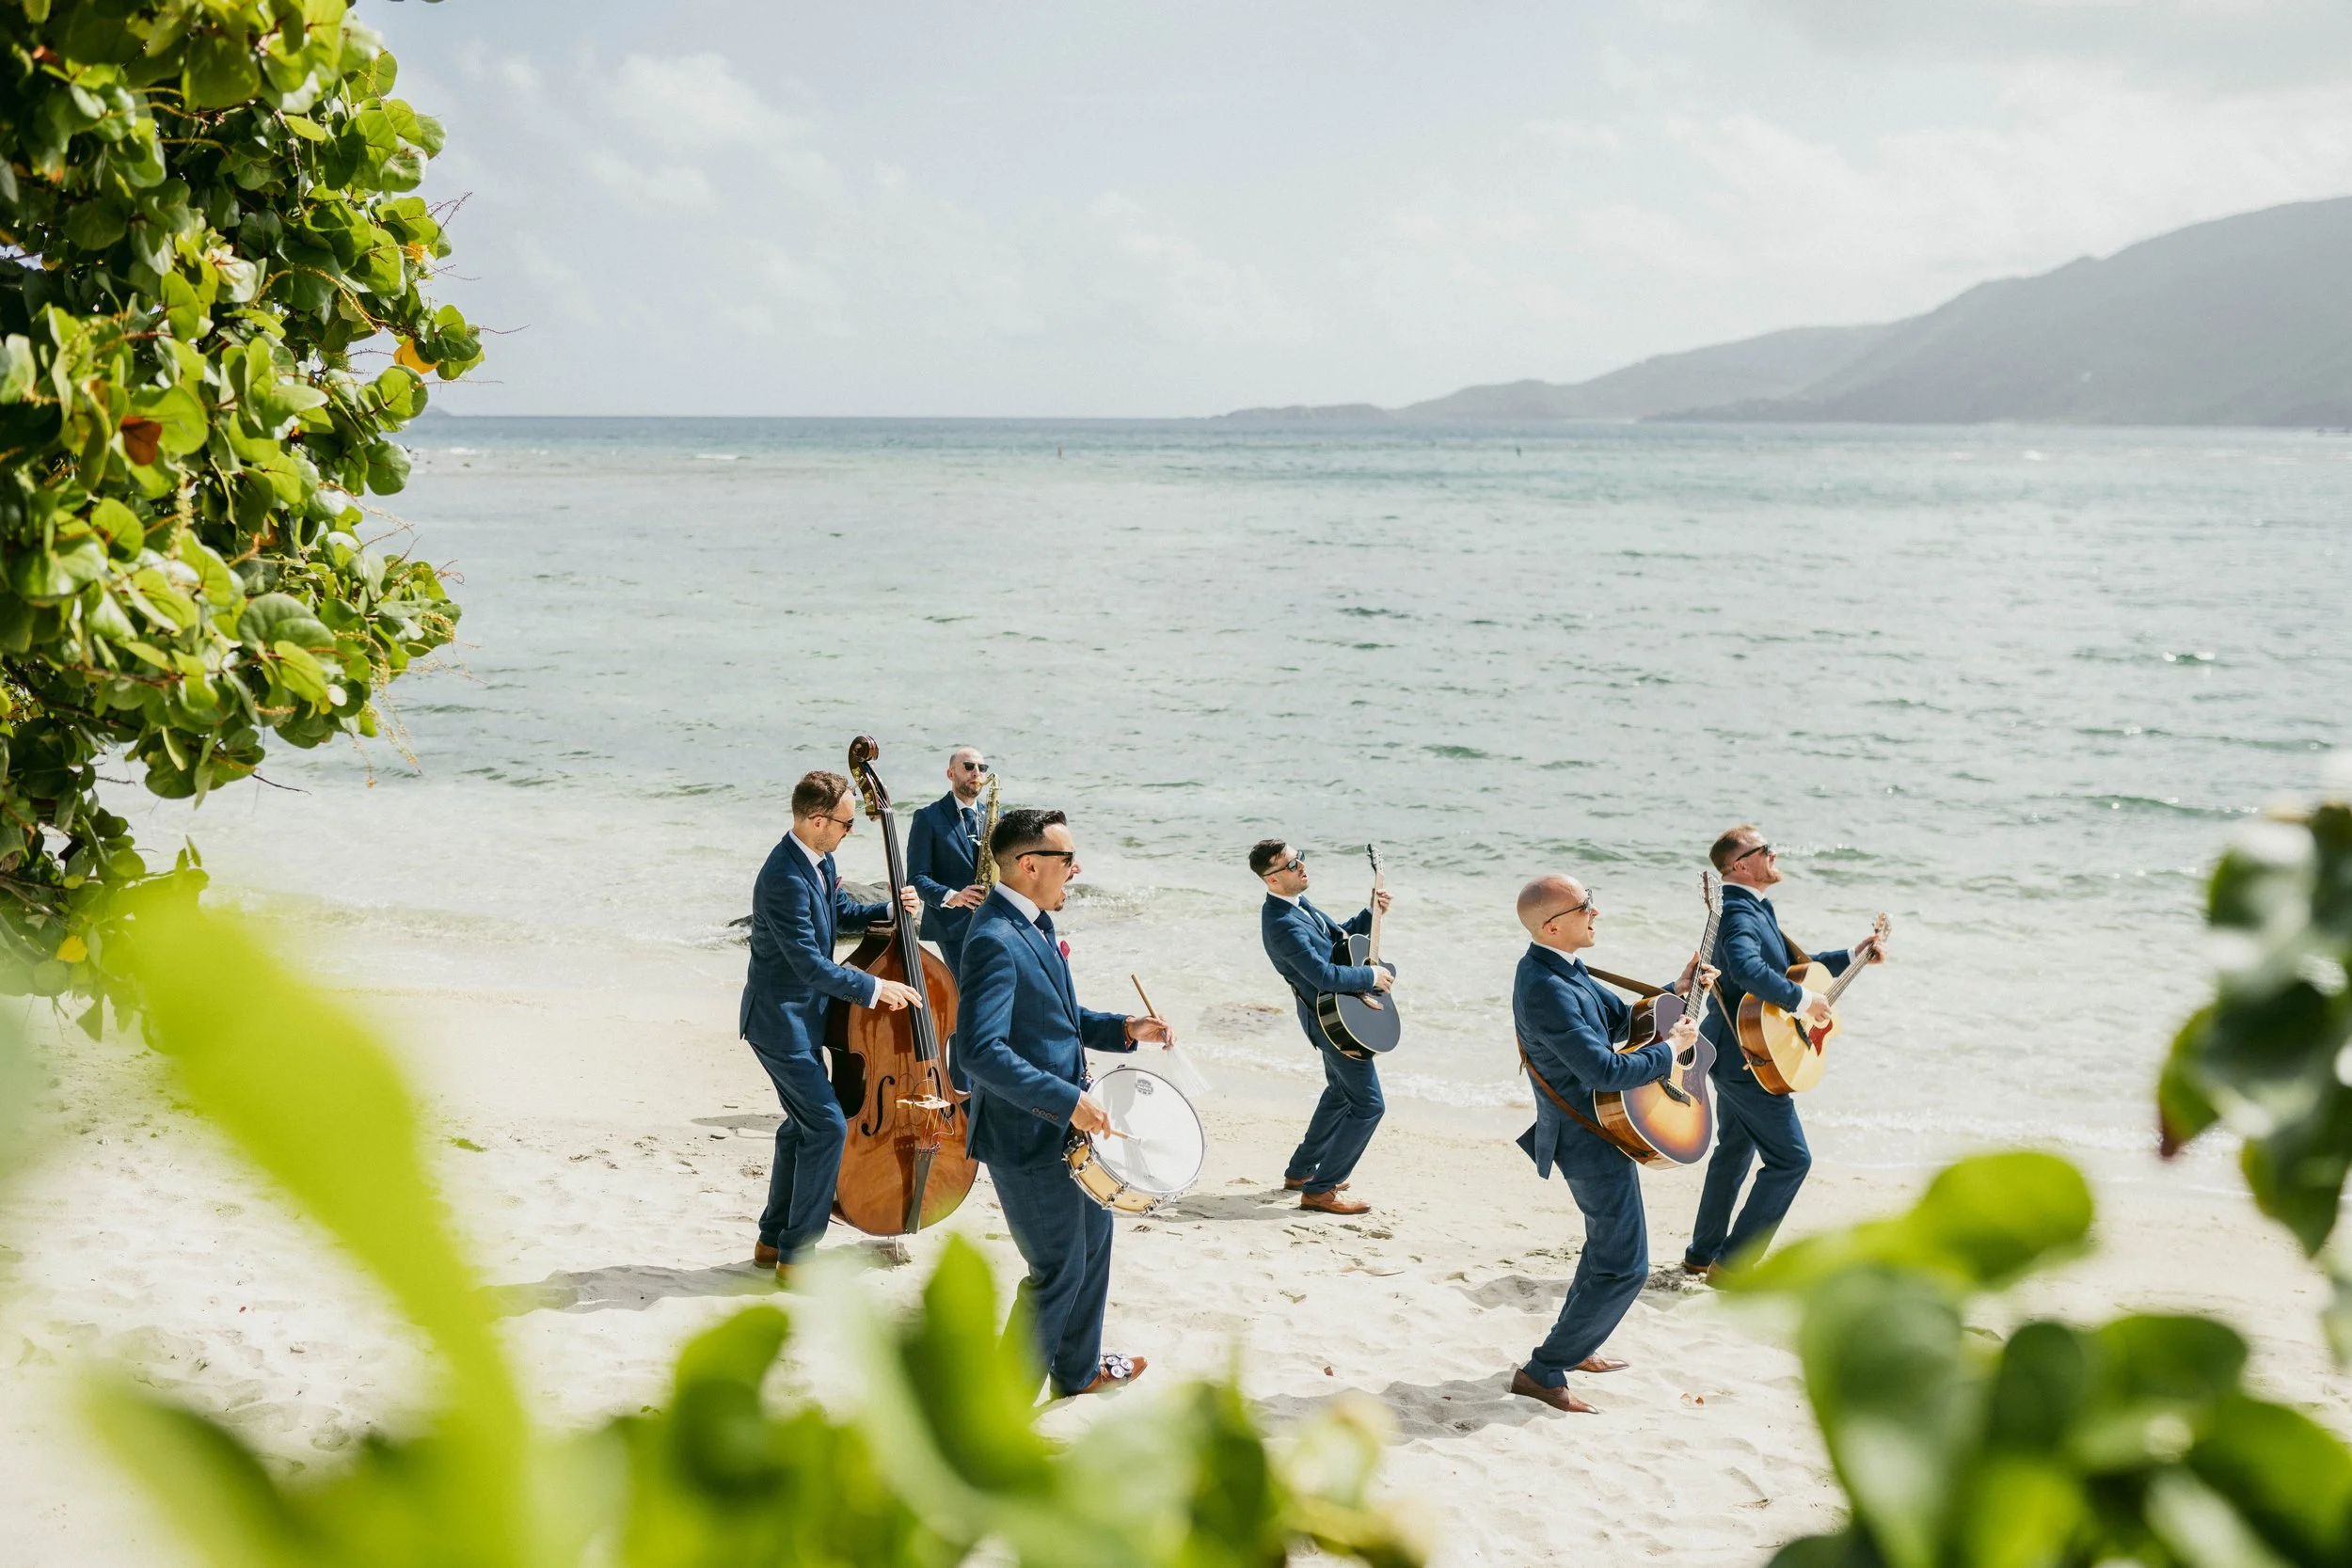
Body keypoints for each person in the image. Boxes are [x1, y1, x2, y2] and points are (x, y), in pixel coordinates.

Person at [957, 807, 1175, 1399]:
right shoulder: (995, 939)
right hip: (1025, 1136)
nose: (1075, 870)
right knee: (1056, 1271)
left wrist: (1123, 1028)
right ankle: (1001, 1410)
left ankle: (1077, 1373)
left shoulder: (1034, 923)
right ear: (1029, 865)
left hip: (1068, 1130)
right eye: (1066, 859)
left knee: (1095, 1246)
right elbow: (979, 1051)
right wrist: (1068, 1100)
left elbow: (1054, 1019)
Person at [1508, 874, 1710, 1414]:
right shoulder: (1544, 987)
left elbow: (1626, 1019)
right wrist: (1670, 1053)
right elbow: (1601, 1070)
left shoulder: (1565, 969)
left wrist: (1682, 984)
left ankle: (1577, 1348)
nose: (1596, 913)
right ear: (1553, 926)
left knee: (1605, 1248)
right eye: (1585, 906)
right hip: (1585, 1134)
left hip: (1605, 1128)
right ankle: (1542, 1371)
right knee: (1626, 1266)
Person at [739, 770, 922, 1279]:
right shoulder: (782, 877)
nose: (850, 830)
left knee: (799, 1127)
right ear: (817, 820)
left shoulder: (819, 859)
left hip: (806, 1019)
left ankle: (772, 1241)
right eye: (845, 822)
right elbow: (807, 964)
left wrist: (888, 909)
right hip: (778, 1023)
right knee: (824, 1126)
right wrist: (873, 988)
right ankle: (798, 1257)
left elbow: (836, 911)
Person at [1680, 826, 1885, 1279]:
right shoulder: (1737, 913)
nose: (1774, 854)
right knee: (1792, 1160)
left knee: (1734, 1149)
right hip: (1750, 1056)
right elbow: (1750, 970)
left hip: (1735, 1050)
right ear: (1741, 865)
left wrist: (1852, 953)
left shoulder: (1750, 909)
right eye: (1764, 850)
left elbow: (1794, 968)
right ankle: (1733, 1266)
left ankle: (1702, 1252)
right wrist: (1802, 1001)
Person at [1249, 839, 1393, 1214]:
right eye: (1292, 864)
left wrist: (1371, 913)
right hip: (1331, 1024)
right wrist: (1370, 975)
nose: (1302, 867)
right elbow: (1324, 974)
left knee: (1340, 1093)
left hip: (1334, 1017)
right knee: (1369, 1106)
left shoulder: (1297, 905)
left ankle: (1301, 1172)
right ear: (1272, 880)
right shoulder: (1281, 924)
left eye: (1300, 858)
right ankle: (1320, 1191)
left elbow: (1336, 940)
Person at [906, 747, 991, 971]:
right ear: (950, 774)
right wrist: (954, 897)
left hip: (993, 921)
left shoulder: (995, 816)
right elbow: (916, 879)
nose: (977, 773)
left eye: (982, 768)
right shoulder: (927, 817)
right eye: (969, 766)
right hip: (953, 927)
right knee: (966, 994)